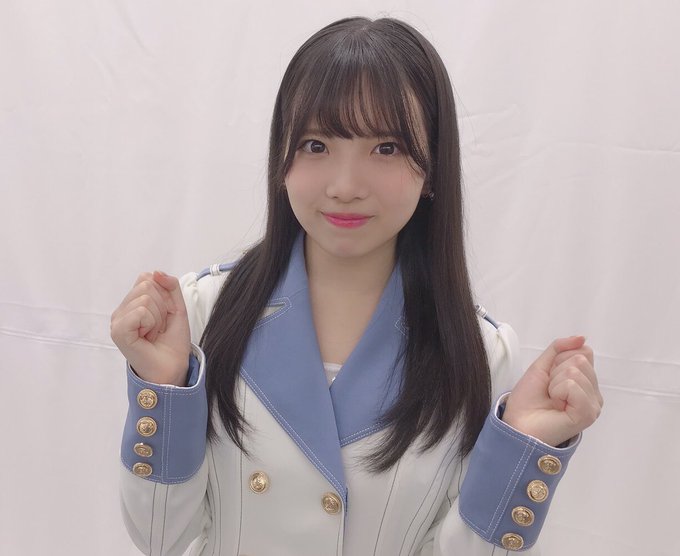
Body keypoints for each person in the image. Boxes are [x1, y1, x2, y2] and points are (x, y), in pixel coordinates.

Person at [110, 16, 603, 556]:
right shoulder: (204, 313)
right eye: (316, 145)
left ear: (433, 167)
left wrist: (523, 447)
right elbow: (160, 537)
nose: (345, 187)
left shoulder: (479, 353)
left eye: (386, 148)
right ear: (281, 159)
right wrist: (162, 385)